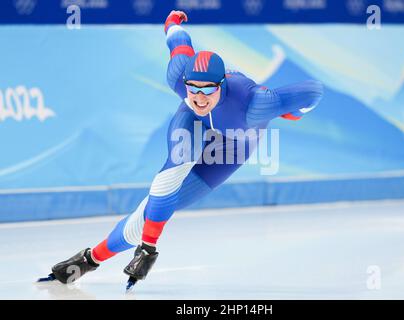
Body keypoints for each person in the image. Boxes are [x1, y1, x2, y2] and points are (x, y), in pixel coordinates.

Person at [40, 10, 323, 290]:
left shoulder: (257, 104)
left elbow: (313, 90)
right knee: (172, 171)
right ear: (184, 82)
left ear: (222, 85)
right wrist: (172, 23)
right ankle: (111, 255)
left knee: (159, 209)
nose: (199, 97)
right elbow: (178, 42)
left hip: (238, 138)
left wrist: (291, 112)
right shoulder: (179, 76)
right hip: (193, 123)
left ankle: (96, 257)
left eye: (207, 90)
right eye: (193, 88)